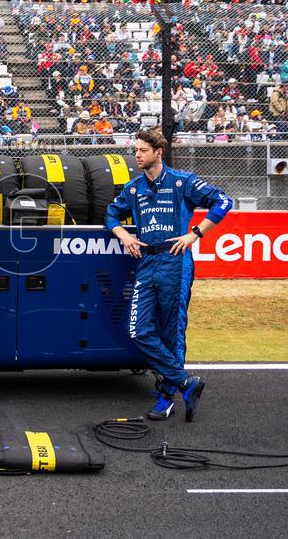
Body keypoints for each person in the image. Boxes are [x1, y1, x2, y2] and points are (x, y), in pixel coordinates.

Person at [105, 128, 231, 422]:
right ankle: (185, 383)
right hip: (146, 263)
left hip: (175, 261)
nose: (137, 155)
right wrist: (124, 235)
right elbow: (110, 215)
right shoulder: (133, 188)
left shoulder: (182, 181)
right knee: (138, 330)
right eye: (135, 150)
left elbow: (223, 201)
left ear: (158, 153)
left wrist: (196, 234)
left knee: (172, 332)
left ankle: (166, 396)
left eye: (142, 151)